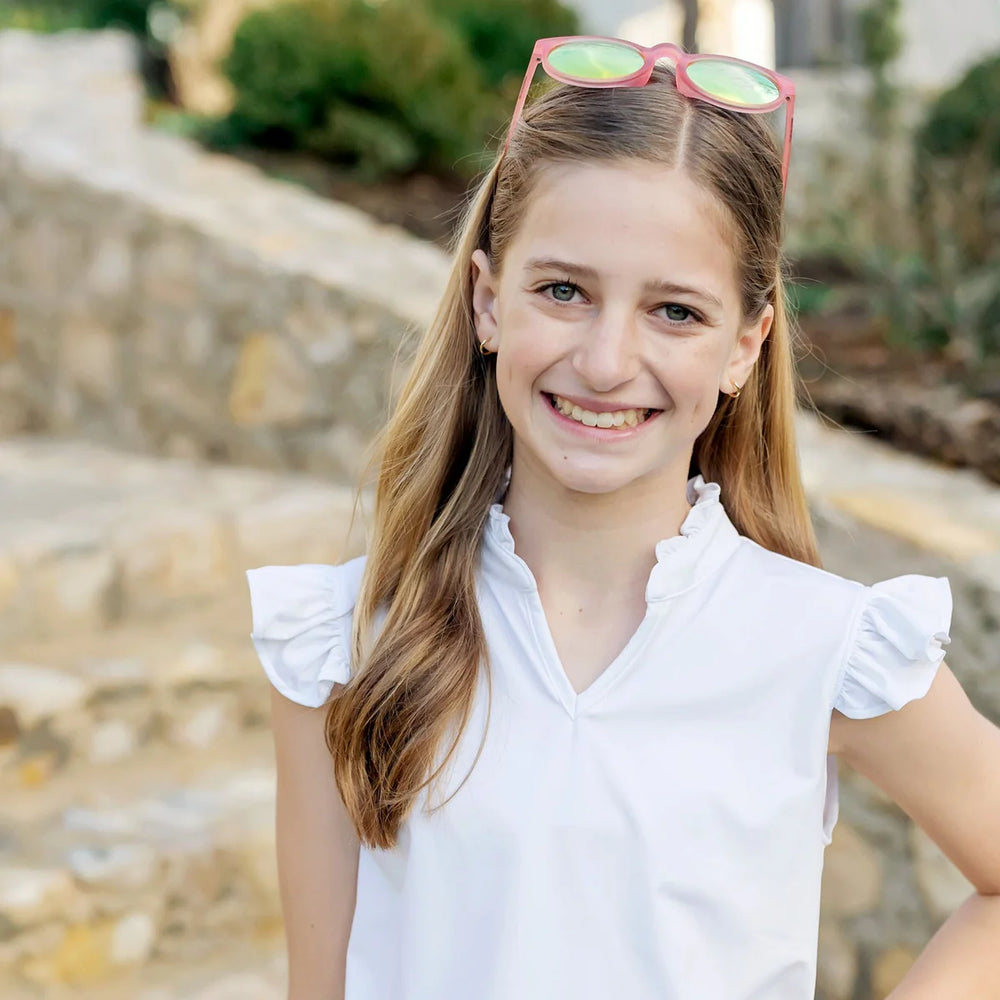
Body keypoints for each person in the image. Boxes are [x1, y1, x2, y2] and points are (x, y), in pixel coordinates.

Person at [246, 37, 1000, 1000]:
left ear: (745, 346)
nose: (606, 362)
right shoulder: (347, 643)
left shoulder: (825, 644)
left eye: (675, 312)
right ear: (487, 301)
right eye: (563, 291)